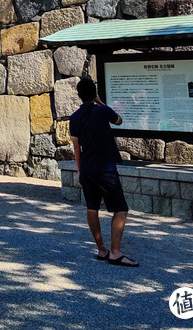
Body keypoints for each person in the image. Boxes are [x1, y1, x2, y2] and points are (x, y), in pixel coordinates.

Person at [69, 77, 138, 267]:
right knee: (120, 208)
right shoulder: (102, 111)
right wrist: (100, 102)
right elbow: (119, 120)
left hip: (87, 168)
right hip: (106, 168)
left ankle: (101, 249)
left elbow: (76, 147)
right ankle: (115, 252)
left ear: (79, 95)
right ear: (94, 93)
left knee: (92, 208)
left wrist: (79, 170)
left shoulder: (74, 117)